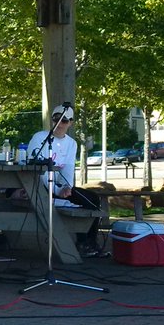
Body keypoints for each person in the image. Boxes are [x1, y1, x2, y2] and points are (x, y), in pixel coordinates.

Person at [25, 105, 105, 256]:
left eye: (64, 120)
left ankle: (88, 243)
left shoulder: (71, 143)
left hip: (58, 187)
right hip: (40, 187)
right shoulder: (40, 138)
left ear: (70, 123)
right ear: (52, 120)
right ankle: (84, 243)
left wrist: (67, 188)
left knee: (93, 199)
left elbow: (67, 170)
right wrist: (56, 190)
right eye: (57, 119)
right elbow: (39, 170)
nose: (60, 124)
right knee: (79, 200)